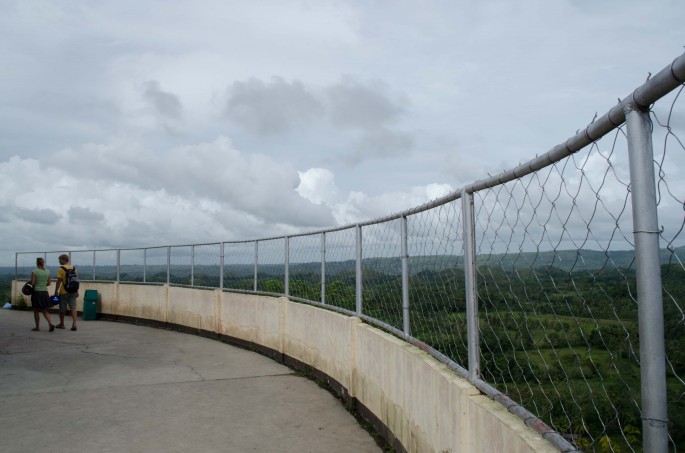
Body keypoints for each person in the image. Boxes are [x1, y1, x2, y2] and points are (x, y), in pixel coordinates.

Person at [30, 257, 55, 332]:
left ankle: (37, 327)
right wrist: (43, 284)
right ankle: (50, 323)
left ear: (37, 263)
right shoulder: (47, 271)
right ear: (43, 263)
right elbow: (49, 283)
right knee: (45, 310)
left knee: (36, 310)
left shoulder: (34, 271)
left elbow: (33, 283)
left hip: (37, 292)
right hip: (44, 292)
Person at [54, 254, 78, 331]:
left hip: (64, 291)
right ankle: (74, 324)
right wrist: (76, 291)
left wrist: (56, 291)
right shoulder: (73, 268)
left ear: (64, 260)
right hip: (73, 291)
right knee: (73, 308)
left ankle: (62, 324)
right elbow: (75, 281)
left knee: (62, 308)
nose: (59, 261)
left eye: (60, 260)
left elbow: (59, 281)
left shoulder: (60, 269)